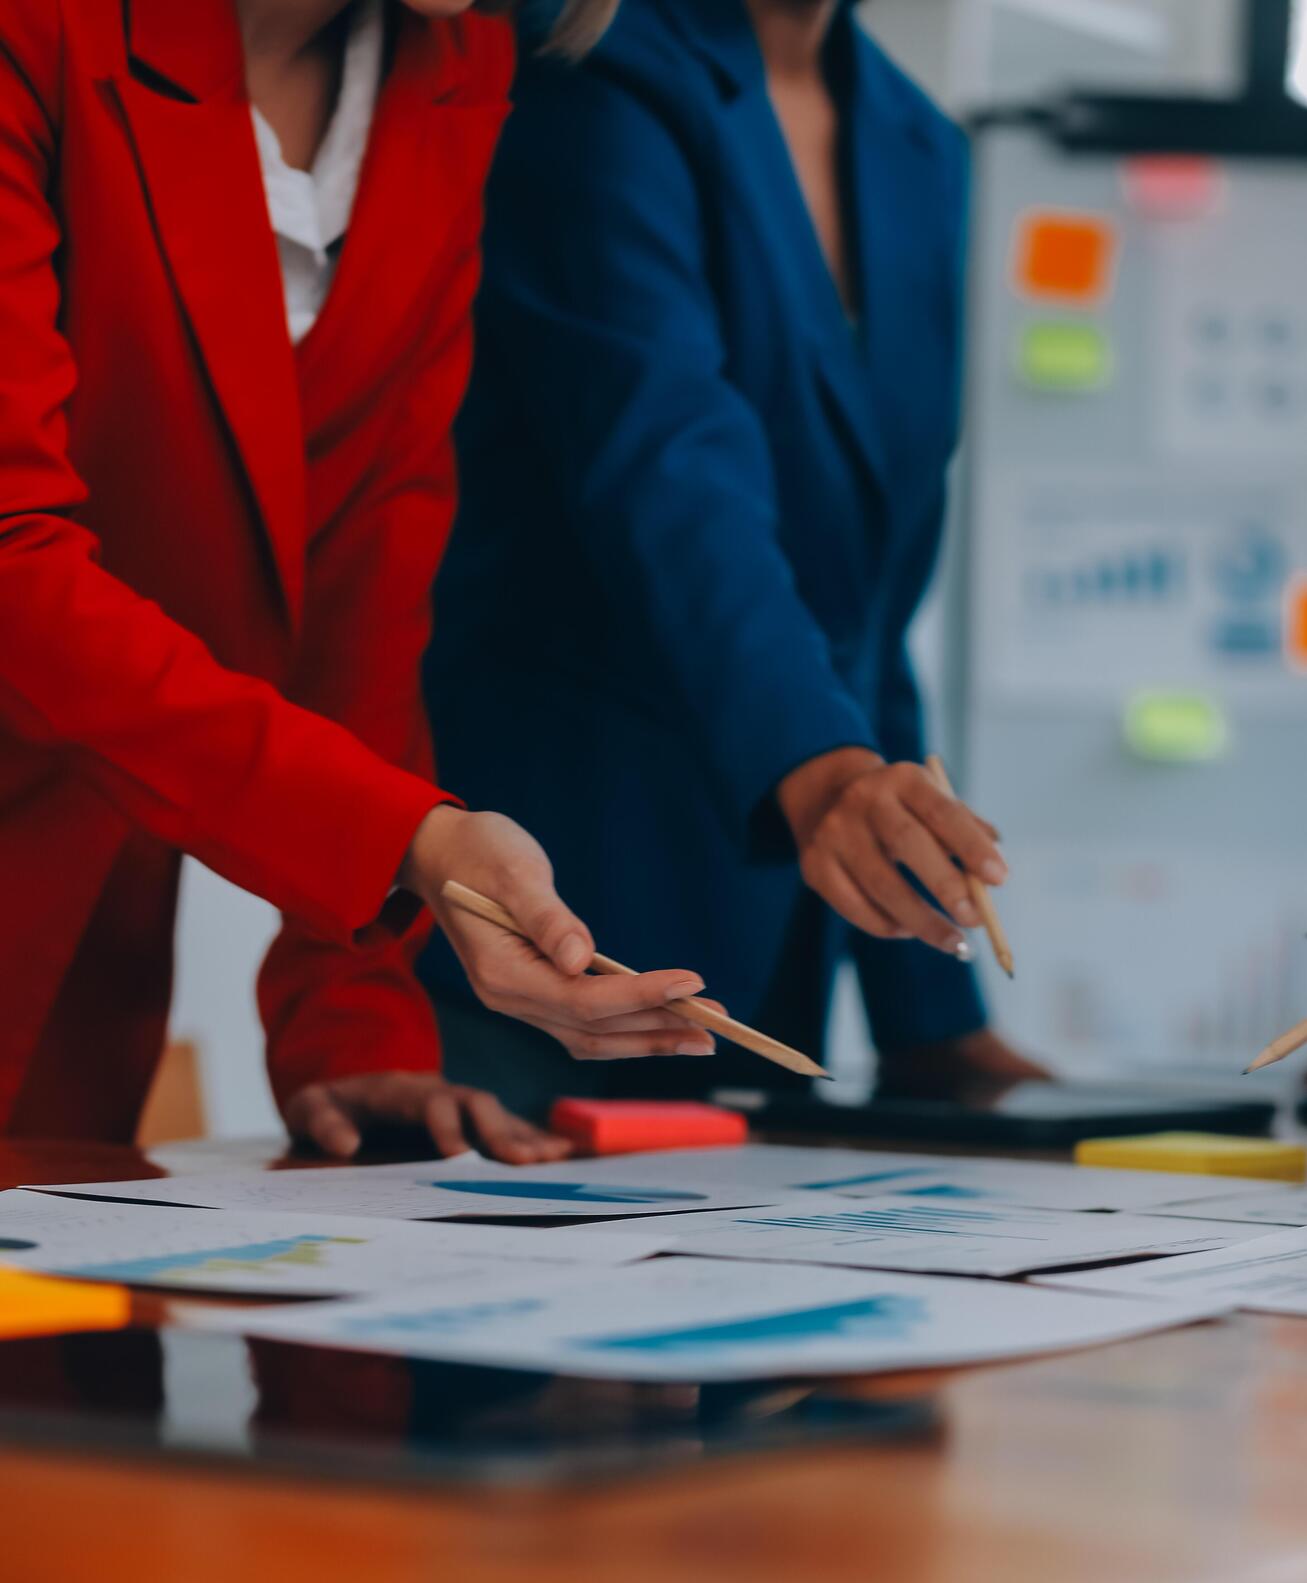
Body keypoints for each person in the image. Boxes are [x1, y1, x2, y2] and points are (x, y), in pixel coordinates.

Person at [0, 0, 716, 1165]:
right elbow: (11, 565)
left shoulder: (448, 63)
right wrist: (407, 837)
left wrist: (350, 1023)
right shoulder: (39, 29)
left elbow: (368, 568)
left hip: (88, 955)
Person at [422, 0, 1046, 1113]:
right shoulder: (592, 78)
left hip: (777, 935)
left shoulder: (918, 139)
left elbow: (864, 598)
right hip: (569, 903)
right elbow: (661, 467)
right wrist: (822, 772)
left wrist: (929, 1017)